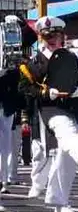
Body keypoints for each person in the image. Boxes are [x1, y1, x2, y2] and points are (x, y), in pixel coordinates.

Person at [18, 16, 78, 212]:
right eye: (46, 36)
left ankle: (60, 202)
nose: (51, 39)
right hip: (51, 109)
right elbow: (25, 87)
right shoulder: (35, 63)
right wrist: (45, 93)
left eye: (55, 35)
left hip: (75, 105)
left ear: (63, 36)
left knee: (65, 156)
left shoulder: (72, 55)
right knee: (66, 134)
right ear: (41, 38)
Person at [0, 14, 35, 193]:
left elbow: (31, 37)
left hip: (5, 91)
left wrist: (20, 22)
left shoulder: (6, 31)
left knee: (5, 138)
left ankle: (3, 179)